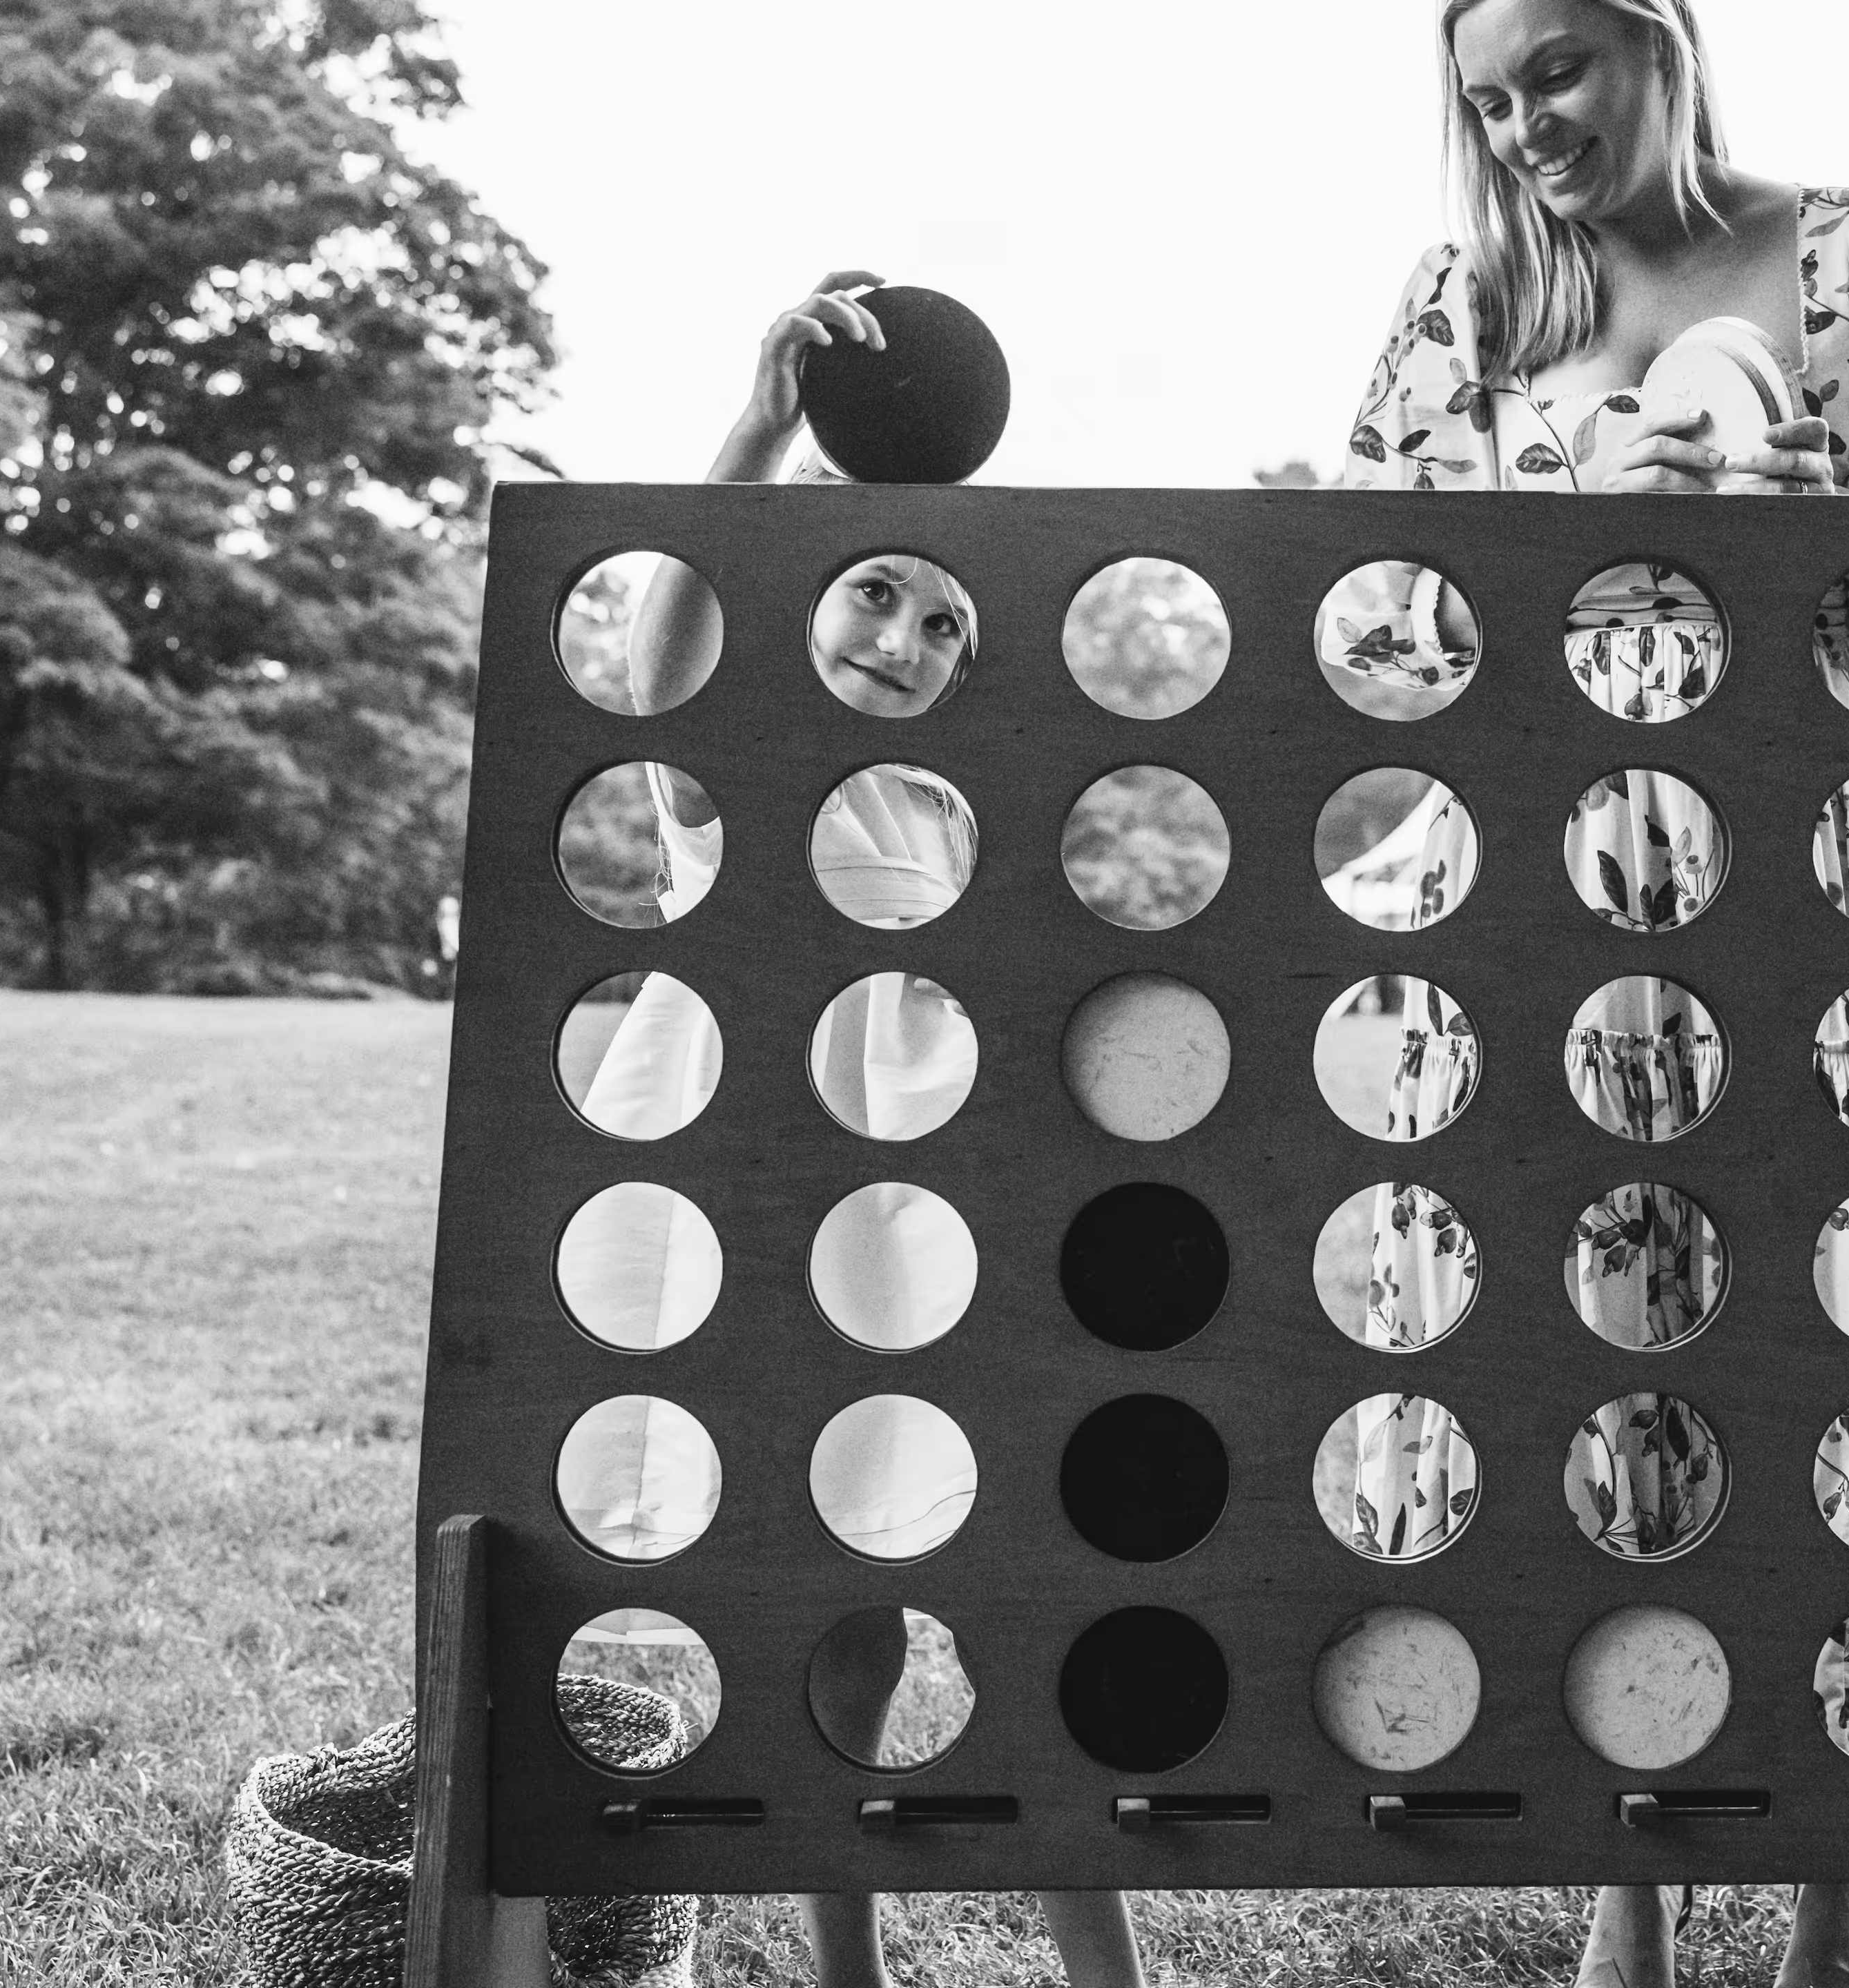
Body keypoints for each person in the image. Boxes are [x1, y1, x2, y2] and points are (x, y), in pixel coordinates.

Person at [1340, 6, 1849, 1984]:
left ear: (1661, 43)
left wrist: (1820, 524)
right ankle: (1634, 1866)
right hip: (1537, 886)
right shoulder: (1467, 297)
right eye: (1487, 98)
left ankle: (1847, 1864)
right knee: (1602, 1357)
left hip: (1827, 864)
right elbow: (1372, 601)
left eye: (1559, 75)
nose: (1522, 129)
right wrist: (1568, 516)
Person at [573, 273, 1143, 1988]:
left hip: (919, 1221)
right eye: (870, 592)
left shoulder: (963, 799)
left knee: (988, 1585)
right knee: (827, 1592)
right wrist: (754, 432)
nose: (894, 640)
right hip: (760, 1202)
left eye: (940, 624)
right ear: (806, 582)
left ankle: (1103, 1959)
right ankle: (848, 1963)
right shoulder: (730, 755)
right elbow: (659, 649)